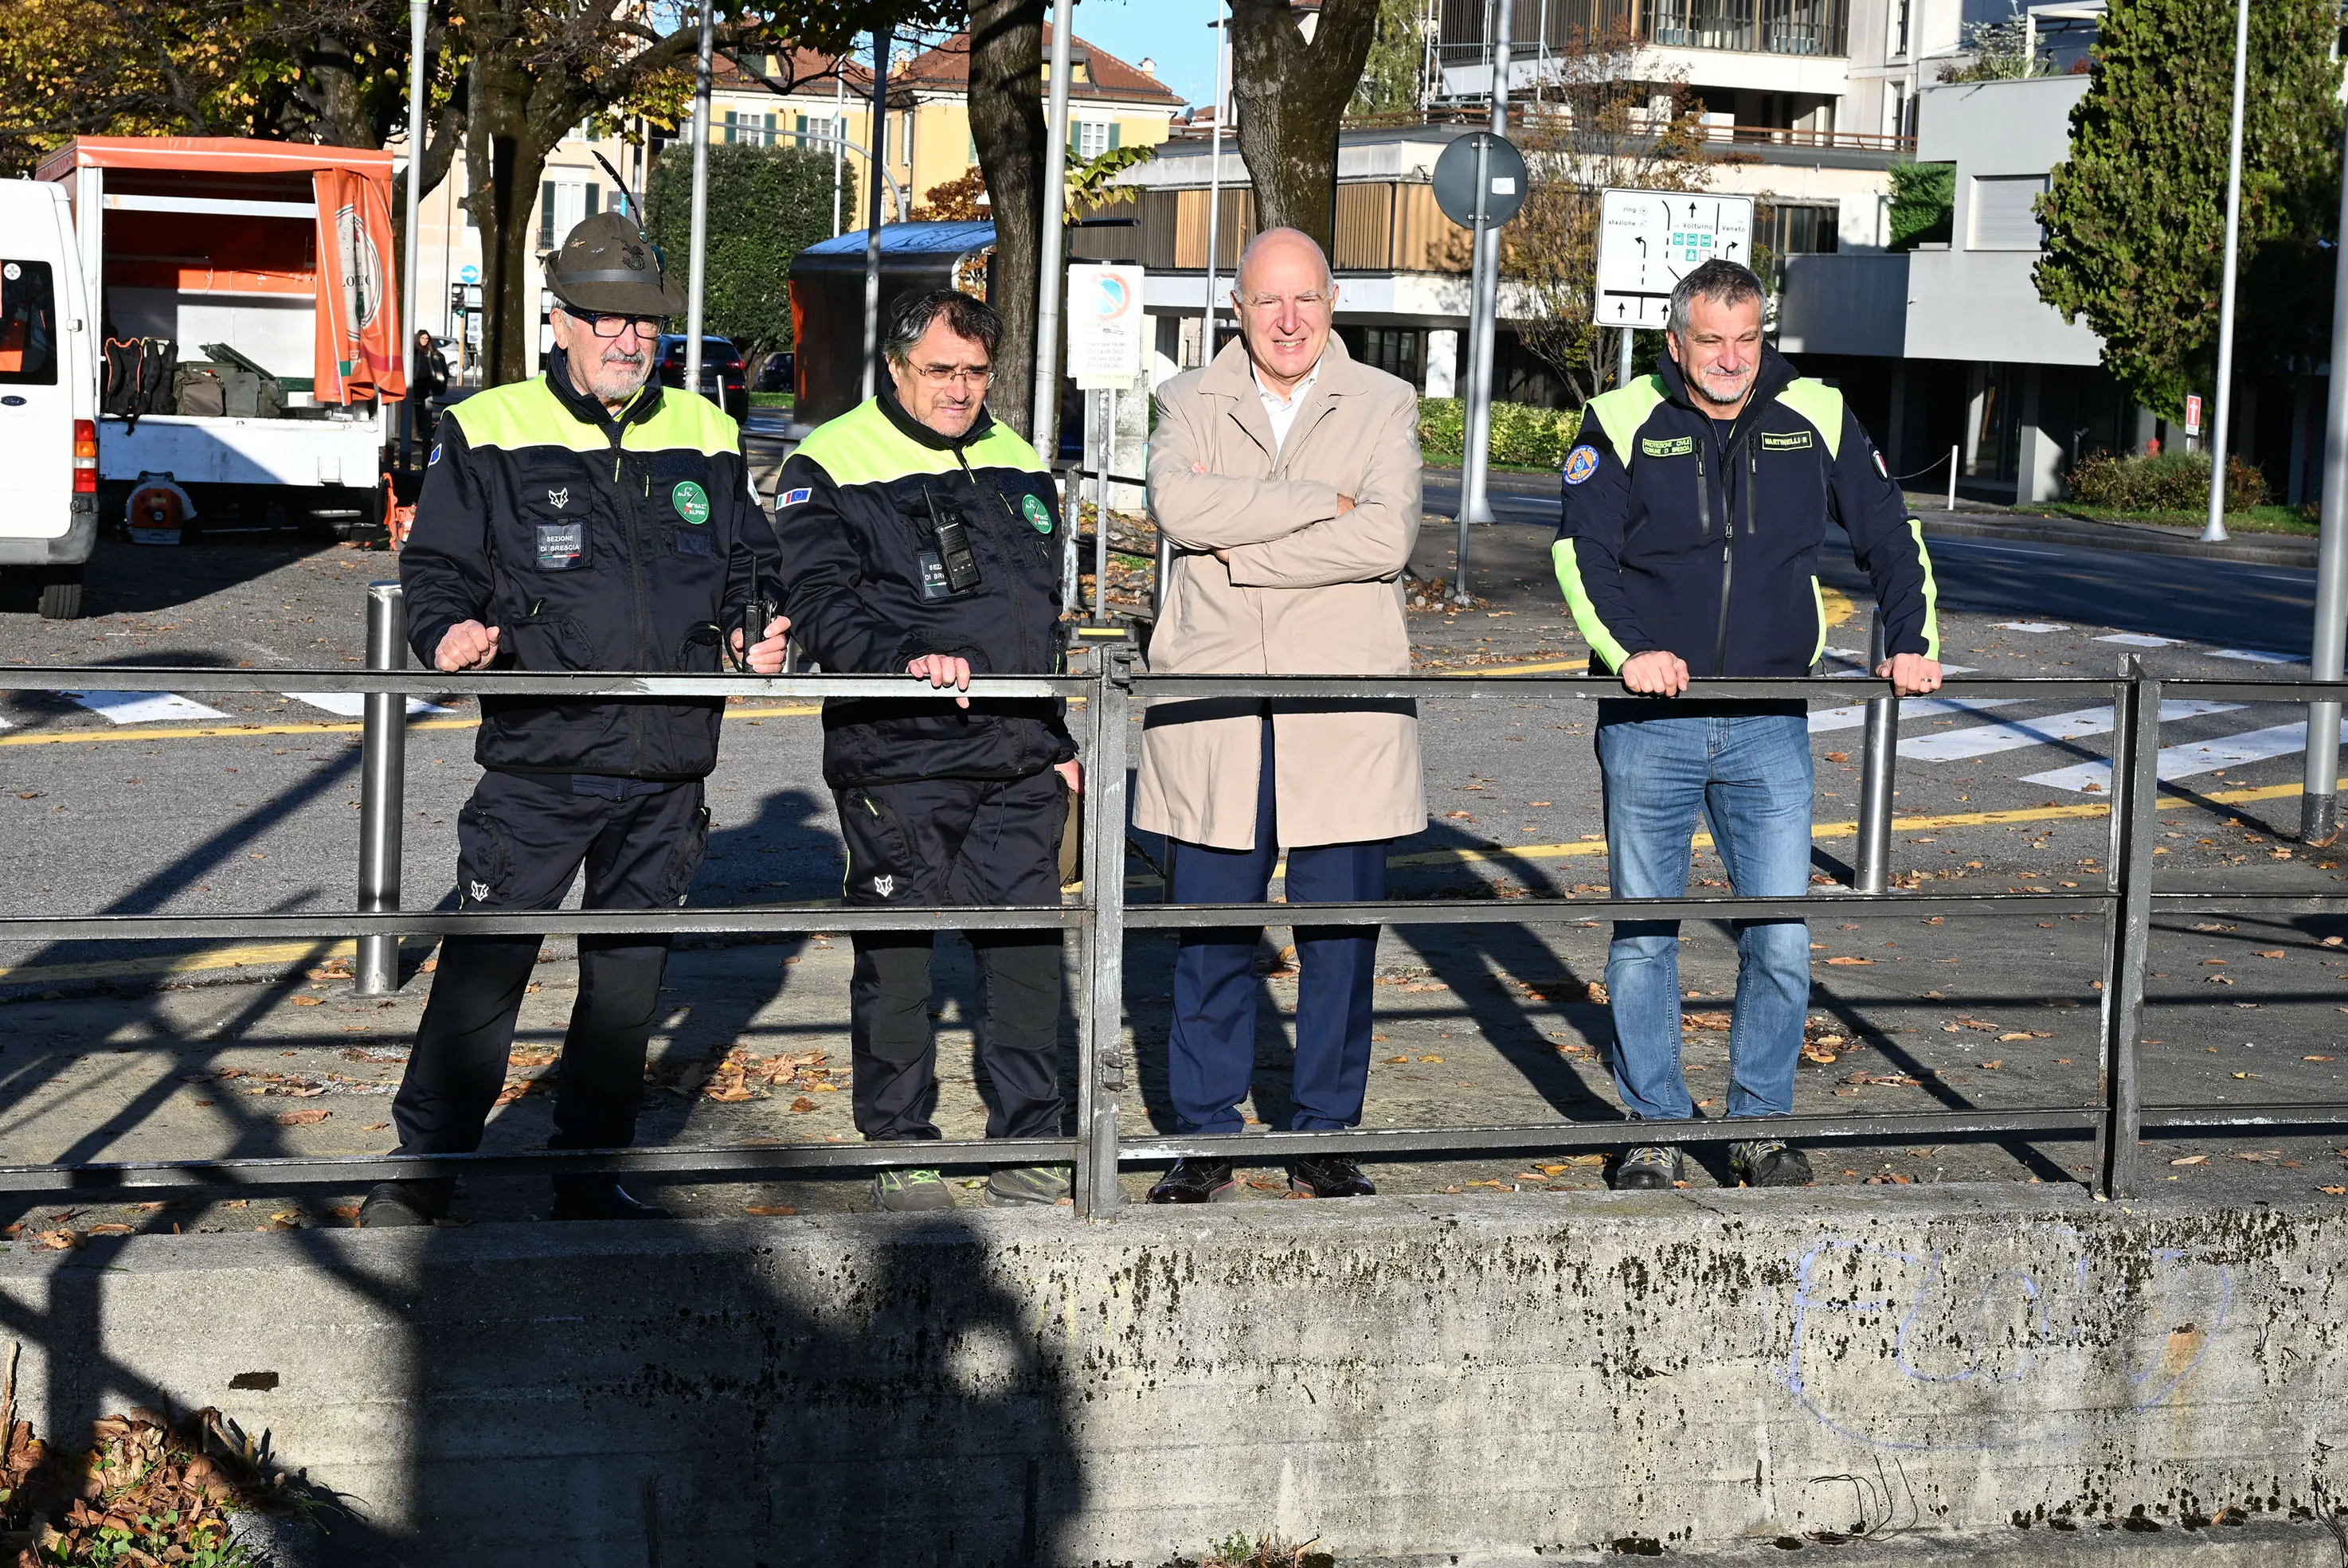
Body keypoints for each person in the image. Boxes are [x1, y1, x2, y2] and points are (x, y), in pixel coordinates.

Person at [358, 213, 789, 1227]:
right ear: (560, 322)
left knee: (627, 988)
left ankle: (589, 1172)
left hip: (669, 762)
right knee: (485, 969)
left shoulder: (705, 431)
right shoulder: (490, 425)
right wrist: (444, 631)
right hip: (542, 756)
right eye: (606, 319)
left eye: (645, 323)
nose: (628, 340)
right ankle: (423, 1170)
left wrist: (755, 626)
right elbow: (438, 565)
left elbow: (751, 563)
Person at [1555, 258, 1942, 1191]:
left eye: (1745, 339)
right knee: (1644, 937)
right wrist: (1628, 652)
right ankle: (1651, 1129)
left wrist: (1909, 639)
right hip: (1650, 718)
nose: (1730, 358)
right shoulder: (1618, 420)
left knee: (1779, 935)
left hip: (1770, 721)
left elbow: (1889, 534)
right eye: (1709, 340)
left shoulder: (1815, 412)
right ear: (1674, 342)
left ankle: (1758, 1126)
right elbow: (1580, 555)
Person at [769, 288, 1080, 1214]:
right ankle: (899, 1145)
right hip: (897, 752)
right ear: (896, 367)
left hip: (1016, 754)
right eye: (940, 370)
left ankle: (1030, 1142)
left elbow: (1037, 619)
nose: (959, 388)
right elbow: (818, 601)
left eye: (975, 372)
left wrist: (1057, 736)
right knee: (898, 960)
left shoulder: (1014, 458)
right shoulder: (830, 460)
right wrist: (902, 659)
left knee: (1026, 958)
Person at [1135, 228, 1426, 1205]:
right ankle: (1204, 1137)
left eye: (1305, 299)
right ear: (1238, 308)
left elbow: (1384, 537)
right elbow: (1178, 508)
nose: (1288, 320)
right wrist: (1314, 503)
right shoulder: (1186, 398)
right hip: (1215, 711)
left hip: (1340, 715)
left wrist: (1245, 550)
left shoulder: (1384, 401)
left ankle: (1324, 1133)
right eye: (1268, 301)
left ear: (1332, 302)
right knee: (1212, 937)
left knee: (1339, 941)